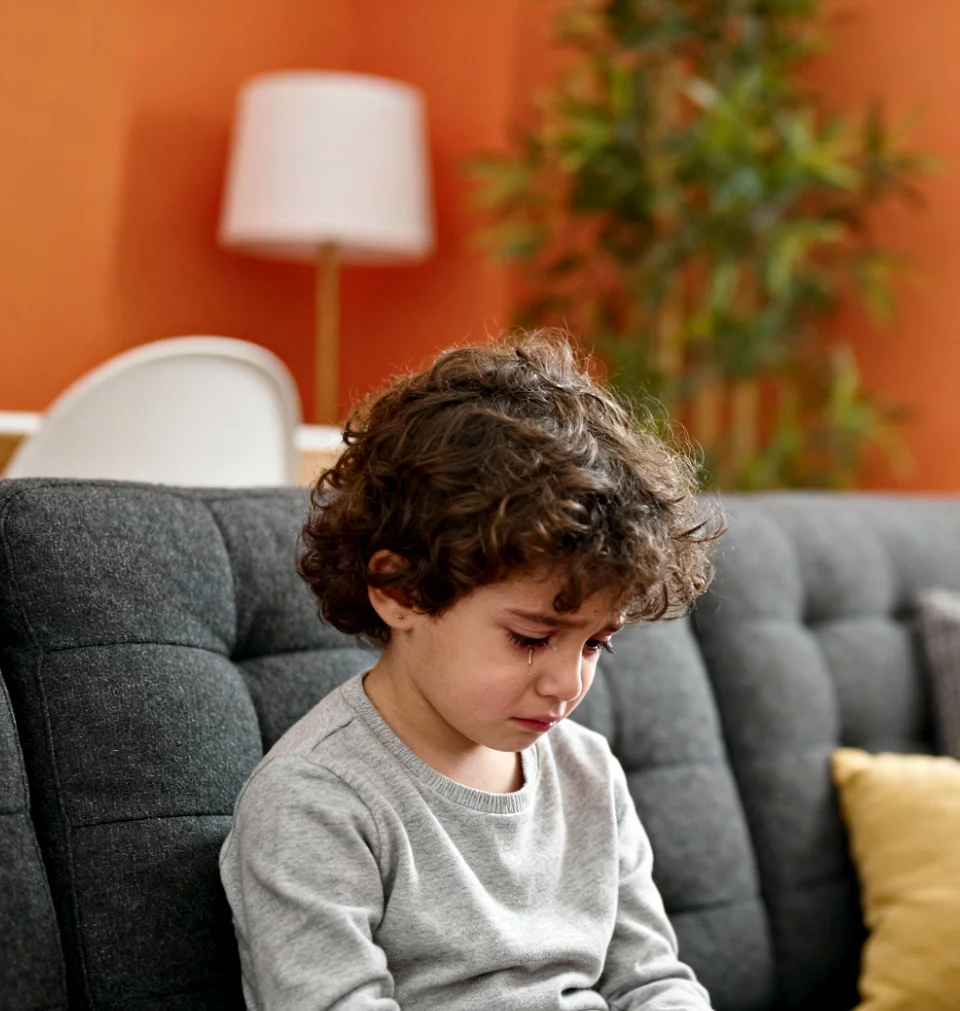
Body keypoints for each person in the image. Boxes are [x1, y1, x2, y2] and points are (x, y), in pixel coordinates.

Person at [220, 335, 721, 1010]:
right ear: (399, 590)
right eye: (530, 638)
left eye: (596, 644)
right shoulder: (315, 801)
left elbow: (652, 981)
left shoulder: (587, 772)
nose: (568, 684)